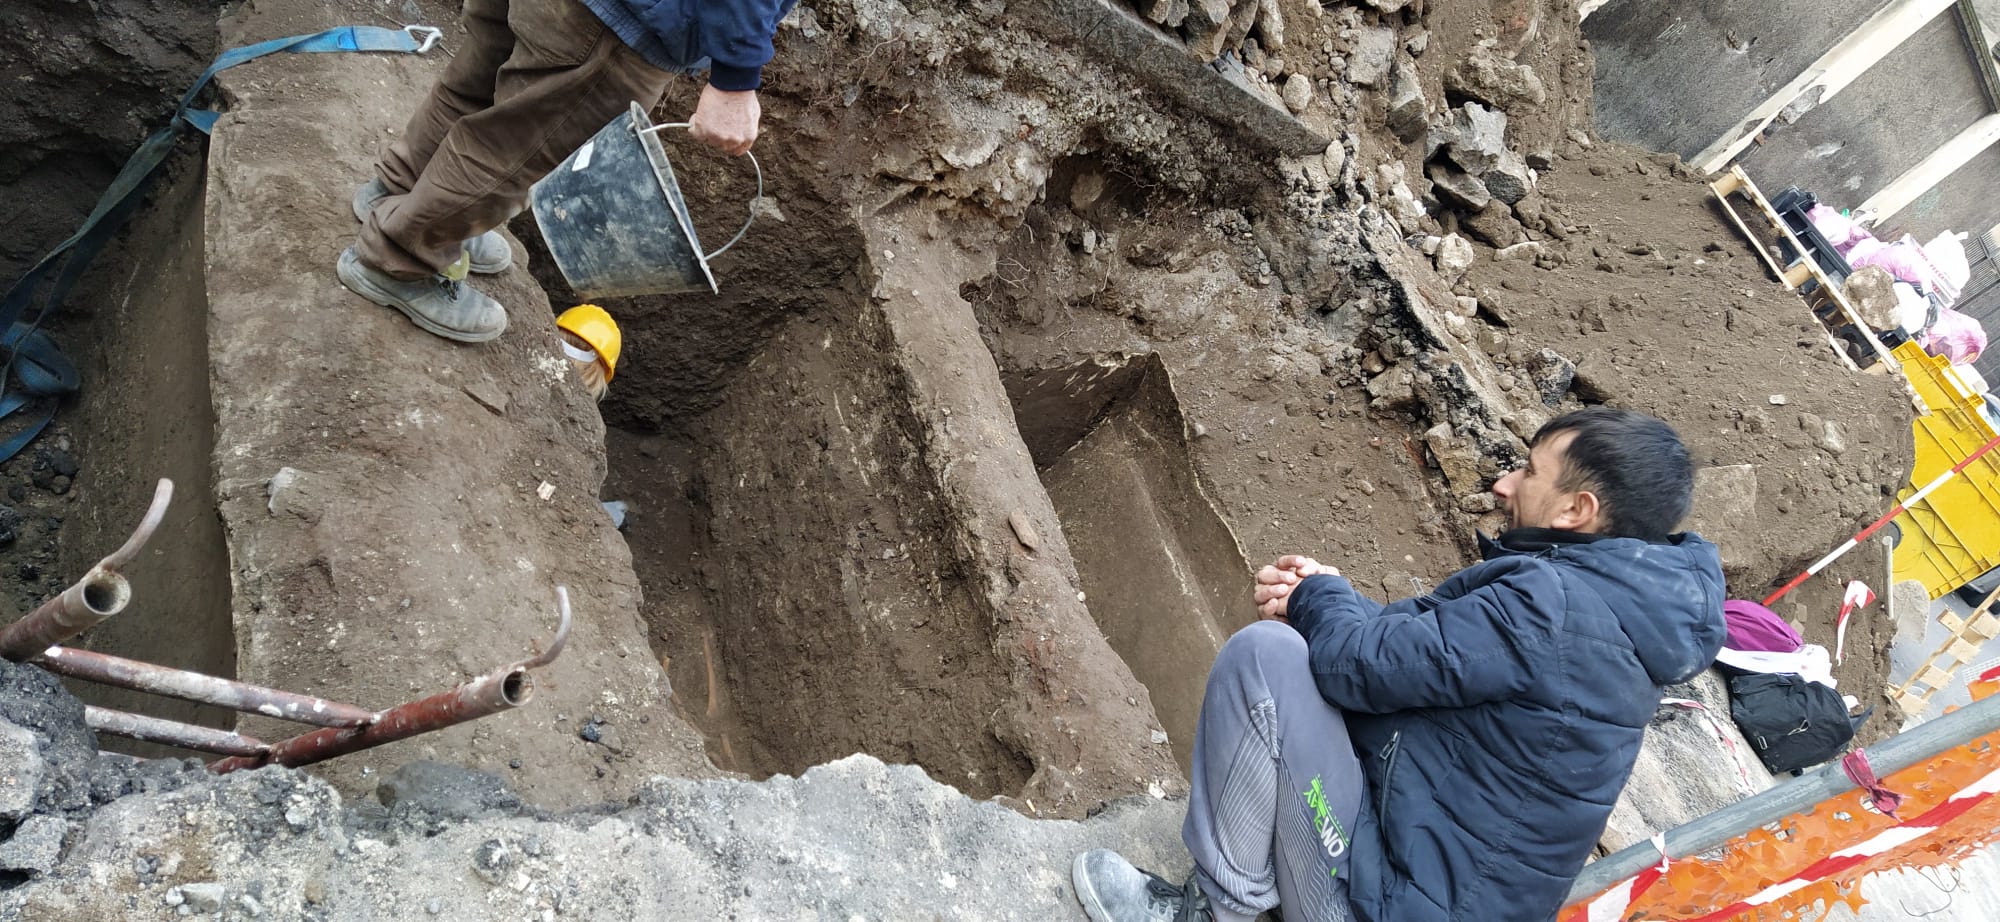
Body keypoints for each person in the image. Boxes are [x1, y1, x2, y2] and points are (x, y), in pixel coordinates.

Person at [1073, 408, 1727, 922]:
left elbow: (1356, 668)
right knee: (1303, 655)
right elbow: (1425, 654)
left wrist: (1316, 599)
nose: (1503, 484)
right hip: (1420, 887)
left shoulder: (1552, 608)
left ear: (1576, 510)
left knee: (1265, 660)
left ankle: (1216, 914)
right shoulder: (1609, 614)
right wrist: (1330, 593)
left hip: (1384, 906)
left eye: (1528, 471)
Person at [337, 0, 795, 343]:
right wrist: (736, 76)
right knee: (518, 148)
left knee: (479, 84)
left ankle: (397, 194)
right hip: (619, 19)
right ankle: (397, 259)